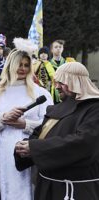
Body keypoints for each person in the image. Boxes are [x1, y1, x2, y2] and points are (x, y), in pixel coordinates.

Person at [14, 62, 99, 200]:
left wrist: (35, 148)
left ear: (76, 82)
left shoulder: (94, 108)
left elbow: (84, 143)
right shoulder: (56, 108)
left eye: (61, 82)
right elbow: (40, 134)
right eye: (56, 82)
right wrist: (24, 147)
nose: (57, 86)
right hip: (46, 187)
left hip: (77, 191)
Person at [0, 38, 53, 200]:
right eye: (19, 64)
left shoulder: (40, 94)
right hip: (0, 154)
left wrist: (25, 124)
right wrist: (3, 119)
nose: (22, 69)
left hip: (28, 154)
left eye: (26, 65)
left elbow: (50, 127)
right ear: (11, 65)